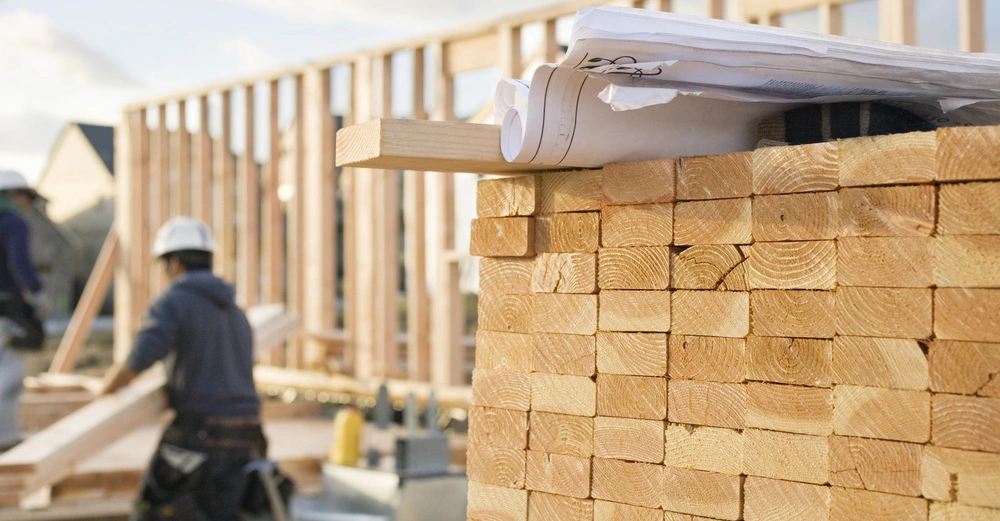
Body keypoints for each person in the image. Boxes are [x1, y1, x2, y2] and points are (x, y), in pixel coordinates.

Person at [100, 216, 265, 521]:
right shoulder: (235, 310)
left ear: (174, 263)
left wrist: (106, 389)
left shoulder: (174, 301)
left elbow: (141, 356)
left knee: (156, 509)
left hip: (201, 431)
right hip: (247, 433)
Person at [0, 170, 49, 453]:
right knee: (7, 375)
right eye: (26, 198)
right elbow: (20, 263)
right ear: (14, 195)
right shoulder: (12, 223)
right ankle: (4, 440)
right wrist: (37, 296)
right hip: (5, 314)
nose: (27, 206)